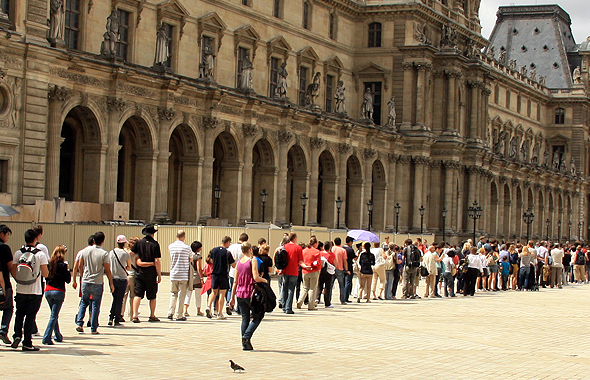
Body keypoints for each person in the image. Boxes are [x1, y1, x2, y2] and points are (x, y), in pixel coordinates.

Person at [11, 229, 48, 351]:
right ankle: (27, 342)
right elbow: (45, 273)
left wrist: (19, 280)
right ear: (36, 239)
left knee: (19, 314)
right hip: (35, 291)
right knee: (30, 317)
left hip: (21, 290)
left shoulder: (18, 253)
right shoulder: (40, 254)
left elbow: (14, 270)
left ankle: (17, 335)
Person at [229, 242, 268, 350]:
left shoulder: (239, 263)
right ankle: (246, 337)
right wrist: (264, 280)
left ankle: (245, 343)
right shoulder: (252, 260)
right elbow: (255, 277)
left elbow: (235, 282)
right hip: (250, 292)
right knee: (258, 316)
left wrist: (232, 298)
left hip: (240, 293)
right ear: (250, 249)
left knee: (245, 318)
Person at [75, 231, 114, 334]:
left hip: (86, 280)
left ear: (93, 240)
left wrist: (83, 275)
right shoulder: (104, 253)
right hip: (97, 281)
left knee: (84, 302)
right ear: (103, 241)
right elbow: (107, 269)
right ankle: (93, 327)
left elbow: (80, 265)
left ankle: (79, 323)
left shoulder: (85, 251)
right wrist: (111, 282)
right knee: (96, 305)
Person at [131, 224, 162, 323]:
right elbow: (156, 261)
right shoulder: (155, 244)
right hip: (151, 273)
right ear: (153, 233)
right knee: (152, 295)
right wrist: (159, 274)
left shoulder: (139, 243)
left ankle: (135, 315)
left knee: (138, 294)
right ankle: (152, 315)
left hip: (139, 272)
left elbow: (130, 254)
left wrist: (135, 262)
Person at [42, 245, 71, 345]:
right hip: (58, 291)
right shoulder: (62, 265)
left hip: (48, 290)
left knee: (53, 315)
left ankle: (58, 335)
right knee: (54, 316)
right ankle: (46, 337)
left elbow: (46, 277)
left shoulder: (49, 264)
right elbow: (68, 280)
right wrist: (67, 269)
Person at [206, 236, 235, 320]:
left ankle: (208, 307)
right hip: (223, 274)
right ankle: (219, 313)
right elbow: (233, 264)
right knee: (222, 294)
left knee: (213, 292)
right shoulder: (227, 252)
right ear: (227, 242)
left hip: (214, 274)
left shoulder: (214, 250)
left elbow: (211, 260)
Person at [167, 230, 192, 321]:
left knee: (173, 294)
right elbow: (191, 259)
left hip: (173, 273)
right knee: (182, 295)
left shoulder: (171, 246)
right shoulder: (187, 248)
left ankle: (170, 312)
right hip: (183, 274)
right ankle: (179, 314)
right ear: (183, 237)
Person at [280, 233, 305, 314]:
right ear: (294, 238)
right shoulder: (298, 248)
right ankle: (288, 308)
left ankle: (283, 306)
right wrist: (306, 266)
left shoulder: (284, 246)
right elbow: (300, 261)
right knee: (291, 289)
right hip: (294, 271)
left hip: (285, 270)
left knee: (284, 289)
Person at [109, 235, 130, 326]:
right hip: (122, 278)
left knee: (114, 298)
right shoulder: (126, 254)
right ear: (124, 243)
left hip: (113, 278)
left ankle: (110, 317)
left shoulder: (111, 252)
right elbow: (129, 266)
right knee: (119, 299)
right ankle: (117, 319)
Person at [297, 237, 321, 310]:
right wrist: (319, 271)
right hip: (313, 271)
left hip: (305, 271)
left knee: (304, 287)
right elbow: (319, 263)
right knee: (312, 289)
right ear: (315, 244)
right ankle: (311, 305)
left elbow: (300, 261)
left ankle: (300, 301)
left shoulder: (304, 251)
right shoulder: (317, 251)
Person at [227, 233, 248, 315]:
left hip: (232, 270)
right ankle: (239, 308)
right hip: (241, 271)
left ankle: (229, 303)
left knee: (231, 288)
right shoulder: (244, 248)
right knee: (240, 289)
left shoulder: (231, 247)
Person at [121, 236, 139, 322]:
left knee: (124, 295)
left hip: (125, 274)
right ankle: (132, 315)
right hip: (133, 275)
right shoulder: (137, 253)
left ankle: (121, 313)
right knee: (133, 296)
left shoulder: (124, 252)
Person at [0, 224, 13, 344]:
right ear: (2, 234)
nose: (7, 237)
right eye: (7, 234)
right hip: (3, 283)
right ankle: (3, 330)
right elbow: (10, 266)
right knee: (8, 308)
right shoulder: (4, 248)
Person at [184, 241, 204, 317]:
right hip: (196, 276)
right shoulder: (198, 257)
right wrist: (201, 278)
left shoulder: (188, 256)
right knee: (198, 294)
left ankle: (185, 309)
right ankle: (198, 310)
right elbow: (199, 268)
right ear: (198, 249)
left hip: (189, 276)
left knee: (188, 293)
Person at [316, 241, 335, 308]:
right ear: (330, 247)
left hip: (321, 271)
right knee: (327, 287)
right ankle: (327, 303)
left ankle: (317, 298)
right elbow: (335, 263)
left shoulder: (320, 253)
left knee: (319, 285)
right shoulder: (332, 255)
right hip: (328, 272)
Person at [331, 237, 348, 305]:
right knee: (341, 285)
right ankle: (342, 300)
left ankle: (328, 299)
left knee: (330, 285)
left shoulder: (331, 249)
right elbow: (345, 261)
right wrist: (346, 270)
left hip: (332, 268)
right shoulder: (343, 250)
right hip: (340, 269)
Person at [343, 236, 356, 302]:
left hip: (342, 267)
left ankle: (342, 297)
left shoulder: (342, 248)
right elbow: (355, 258)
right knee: (348, 283)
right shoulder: (350, 250)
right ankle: (346, 298)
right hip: (349, 267)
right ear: (350, 242)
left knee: (342, 283)